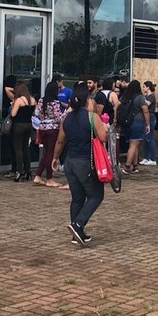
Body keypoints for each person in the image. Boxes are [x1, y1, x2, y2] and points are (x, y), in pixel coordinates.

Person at [52, 87, 108, 246]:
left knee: (77, 198)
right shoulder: (92, 118)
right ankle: (78, 224)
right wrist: (103, 123)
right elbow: (103, 137)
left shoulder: (67, 118)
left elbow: (60, 141)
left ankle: (77, 233)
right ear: (87, 101)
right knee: (96, 195)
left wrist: (55, 157)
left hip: (70, 162)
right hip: (86, 162)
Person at [33, 81, 65, 187]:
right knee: (51, 153)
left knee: (47, 153)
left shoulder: (41, 100)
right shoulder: (55, 103)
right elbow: (59, 117)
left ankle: (38, 175)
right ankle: (49, 178)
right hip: (53, 129)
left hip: (42, 128)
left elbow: (36, 113)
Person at [121, 80, 151, 174]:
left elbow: (118, 105)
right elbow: (145, 111)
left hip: (127, 123)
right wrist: (147, 124)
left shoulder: (124, 97)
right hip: (137, 122)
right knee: (134, 145)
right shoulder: (140, 98)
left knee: (133, 144)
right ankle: (127, 166)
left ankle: (135, 166)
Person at [8, 82, 36, 181]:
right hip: (28, 125)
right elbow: (33, 113)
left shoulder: (19, 100)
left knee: (18, 149)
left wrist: (12, 106)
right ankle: (28, 171)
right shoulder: (32, 100)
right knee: (26, 148)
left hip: (18, 125)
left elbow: (13, 114)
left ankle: (19, 171)